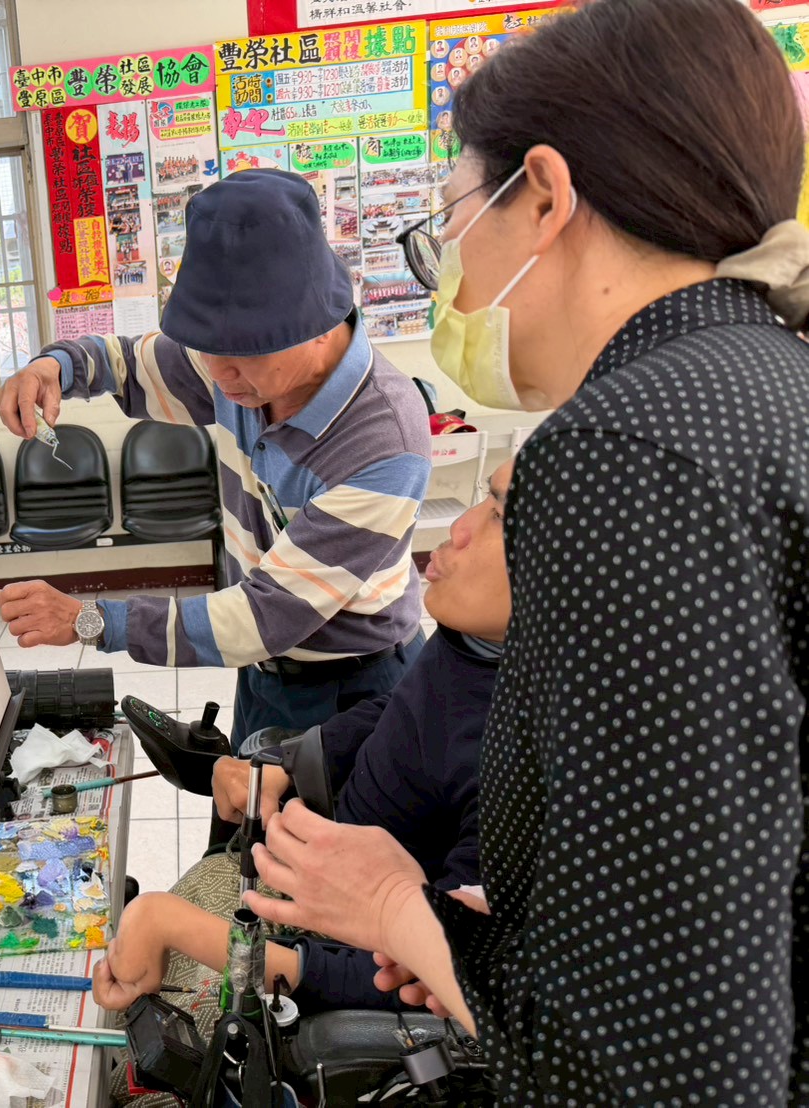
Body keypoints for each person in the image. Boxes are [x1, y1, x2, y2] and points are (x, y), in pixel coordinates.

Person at [239, 2, 809, 1103]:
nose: (446, 272)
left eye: (449, 221)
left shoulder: (626, 451)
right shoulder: (761, 385)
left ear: (542, 195)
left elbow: (651, 1067)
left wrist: (395, 908)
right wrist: (512, 939)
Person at [0, 169, 431, 754]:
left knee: (323, 814)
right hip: (265, 673)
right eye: (207, 348)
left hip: (355, 687)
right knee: (244, 808)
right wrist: (53, 368)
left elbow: (261, 617)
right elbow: (125, 363)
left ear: (322, 326)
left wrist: (89, 620)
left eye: (242, 353)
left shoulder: (383, 440)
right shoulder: (237, 370)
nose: (219, 375)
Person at [91, 462, 512, 1017]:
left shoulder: (526, 765)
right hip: (308, 866)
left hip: (326, 959)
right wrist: (286, 765)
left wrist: (178, 928)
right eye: (485, 497)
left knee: (131, 1042)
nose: (459, 527)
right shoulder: (473, 645)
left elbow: (430, 979)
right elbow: (400, 709)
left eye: (501, 515)